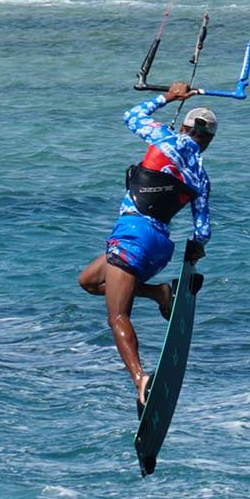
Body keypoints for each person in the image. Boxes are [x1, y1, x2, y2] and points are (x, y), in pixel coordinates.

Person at [77, 80, 215, 408]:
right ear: (208, 141)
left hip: (133, 237)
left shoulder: (164, 137)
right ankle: (159, 293)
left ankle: (140, 379)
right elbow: (202, 231)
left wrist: (169, 96)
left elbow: (132, 115)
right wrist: (194, 254)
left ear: (183, 126)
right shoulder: (201, 176)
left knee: (118, 316)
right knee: (90, 281)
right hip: (159, 247)